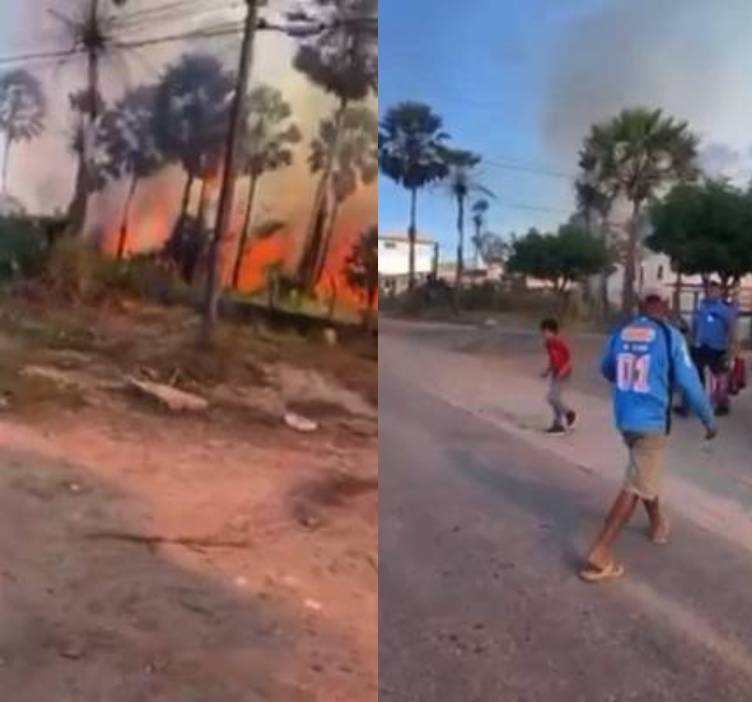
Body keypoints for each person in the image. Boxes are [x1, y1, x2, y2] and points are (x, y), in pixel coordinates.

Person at [580, 290, 716, 583]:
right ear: (665, 306)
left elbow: (607, 368)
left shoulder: (622, 332)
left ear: (642, 305)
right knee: (636, 481)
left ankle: (657, 524)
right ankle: (601, 550)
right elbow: (690, 384)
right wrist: (708, 420)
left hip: (625, 418)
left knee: (644, 473)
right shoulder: (670, 337)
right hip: (651, 421)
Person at [689, 281, 737, 416]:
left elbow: (732, 329)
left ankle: (722, 404)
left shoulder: (725, 310)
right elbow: (694, 326)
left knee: (720, 377)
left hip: (718, 347)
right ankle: (699, 403)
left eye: (715, 290)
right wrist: (692, 342)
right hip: (700, 345)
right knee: (697, 374)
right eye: (710, 290)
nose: (712, 293)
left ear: (720, 292)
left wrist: (731, 348)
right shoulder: (701, 307)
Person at [540, 318, 577, 436]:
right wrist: (547, 371)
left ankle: (569, 414)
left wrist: (563, 371)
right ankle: (557, 424)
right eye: (543, 332)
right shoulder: (548, 344)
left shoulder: (559, 342)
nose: (544, 335)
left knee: (552, 398)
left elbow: (569, 360)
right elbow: (552, 359)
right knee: (555, 398)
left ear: (553, 332)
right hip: (555, 373)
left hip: (564, 373)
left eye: (546, 332)